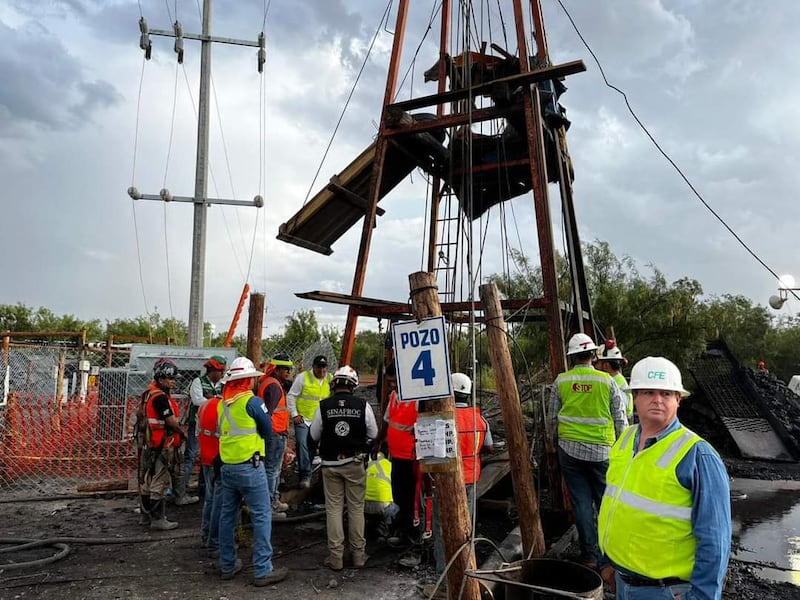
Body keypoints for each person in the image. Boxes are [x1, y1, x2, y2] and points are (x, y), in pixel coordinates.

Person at [598, 356, 731, 600]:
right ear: (634, 397)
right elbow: (613, 503)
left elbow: (716, 541)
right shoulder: (625, 439)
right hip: (622, 583)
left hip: (665, 591)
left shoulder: (697, 455)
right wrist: (606, 561)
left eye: (667, 394)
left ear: (678, 400)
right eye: (648, 392)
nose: (658, 400)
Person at [547, 333, 628, 570]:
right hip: (603, 452)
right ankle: (609, 558)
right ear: (593, 354)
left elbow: (551, 418)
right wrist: (622, 449)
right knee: (605, 503)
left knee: (581, 504)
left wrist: (554, 442)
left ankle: (590, 556)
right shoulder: (607, 381)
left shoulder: (561, 381)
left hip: (569, 452)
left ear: (572, 357)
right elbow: (620, 418)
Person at [216, 357, 288, 586]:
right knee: (262, 515)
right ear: (247, 379)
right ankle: (262, 569)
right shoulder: (252, 402)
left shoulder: (222, 404)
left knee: (227, 516)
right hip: (251, 467)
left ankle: (227, 564)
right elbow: (267, 429)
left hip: (228, 468)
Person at [310, 365, 378, 571]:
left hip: (330, 465)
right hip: (354, 464)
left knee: (333, 510)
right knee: (356, 509)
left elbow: (312, 436)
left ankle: (336, 557)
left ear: (334, 384)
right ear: (353, 385)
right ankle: (358, 555)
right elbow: (374, 434)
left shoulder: (323, 406)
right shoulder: (362, 405)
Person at [430, 372, 494, 591]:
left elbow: (430, 451)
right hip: (471, 480)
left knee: (442, 528)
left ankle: (444, 576)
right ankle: (468, 570)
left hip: (445, 481)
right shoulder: (480, 419)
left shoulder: (442, 417)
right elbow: (489, 447)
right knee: (468, 527)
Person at [372, 363, 420, 548]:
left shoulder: (417, 399)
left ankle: (412, 538)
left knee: (411, 500)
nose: (392, 385)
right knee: (399, 497)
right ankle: (403, 533)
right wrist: (378, 442)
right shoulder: (394, 397)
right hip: (397, 457)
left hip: (412, 459)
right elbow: (386, 422)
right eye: (389, 382)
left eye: (394, 381)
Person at [138, 358, 187, 530]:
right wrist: (182, 432)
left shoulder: (148, 394)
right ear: (160, 379)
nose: (173, 382)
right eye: (171, 379)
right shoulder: (160, 398)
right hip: (160, 445)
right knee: (159, 481)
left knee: (146, 479)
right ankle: (158, 519)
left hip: (148, 444)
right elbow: (171, 422)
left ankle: (145, 516)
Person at [257, 353, 294, 518]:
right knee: (271, 470)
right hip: (274, 433)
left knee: (274, 470)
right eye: (285, 369)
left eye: (289, 369)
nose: (288, 372)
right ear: (276, 369)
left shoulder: (270, 383)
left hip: (275, 433)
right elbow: (268, 413)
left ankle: (274, 500)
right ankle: (270, 506)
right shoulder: (273, 386)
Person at [184, 356, 226, 499]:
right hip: (198, 425)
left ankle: (203, 487)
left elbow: (225, 402)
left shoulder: (223, 384)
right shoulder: (198, 382)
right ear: (212, 371)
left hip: (215, 428)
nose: (222, 374)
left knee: (210, 457)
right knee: (191, 455)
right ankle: (182, 490)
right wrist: (216, 400)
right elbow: (197, 401)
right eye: (220, 371)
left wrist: (210, 399)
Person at [286, 354, 332, 488]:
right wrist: (294, 414)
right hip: (304, 419)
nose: (322, 372)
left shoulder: (330, 379)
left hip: (321, 420)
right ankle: (305, 475)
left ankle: (314, 474)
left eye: (324, 369)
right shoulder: (303, 378)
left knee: (313, 446)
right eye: (319, 368)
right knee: (302, 444)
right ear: (313, 367)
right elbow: (291, 396)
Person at [196, 381, 224, 555]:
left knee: (209, 498)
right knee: (218, 500)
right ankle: (214, 539)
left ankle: (205, 534)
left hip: (206, 456)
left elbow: (198, 431)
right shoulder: (224, 407)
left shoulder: (205, 405)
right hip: (218, 458)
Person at [595, 340, 634, 421]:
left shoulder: (614, 384)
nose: (595, 367)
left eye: (597, 363)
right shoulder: (616, 380)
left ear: (606, 365)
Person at [363, 451, 398, 541]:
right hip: (383, 507)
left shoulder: (365, 466)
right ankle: (389, 532)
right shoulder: (389, 465)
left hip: (363, 506)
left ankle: (369, 528)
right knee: (397, 507)